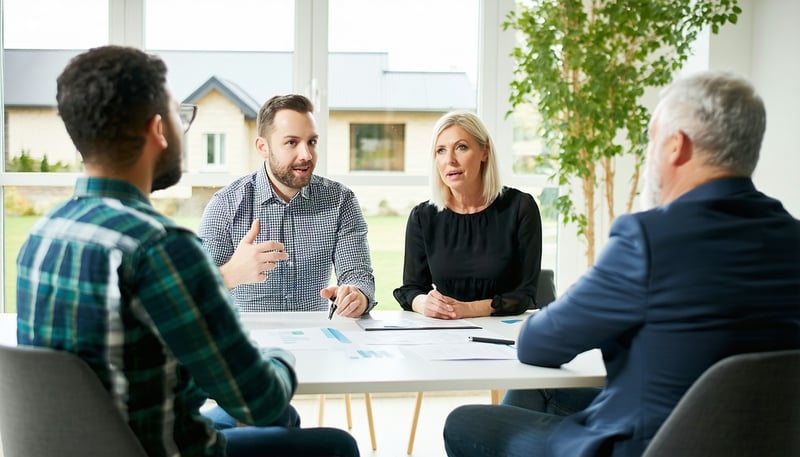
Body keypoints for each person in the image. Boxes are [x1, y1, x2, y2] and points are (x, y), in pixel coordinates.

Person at [15, 45, 359, 457]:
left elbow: (119, 364)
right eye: (183, 117)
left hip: (98, 440)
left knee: (283, 422)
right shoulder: (161, 248)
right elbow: (259, 398)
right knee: (335, 444)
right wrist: (281, 355)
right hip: (165, 448)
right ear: (159, 129)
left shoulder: (39, 238)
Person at [443, 70, 800, 457]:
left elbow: (537, 343)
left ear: (675, 147)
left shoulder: (651, 238)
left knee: (466, 422)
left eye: (652, 140)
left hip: (641, 444)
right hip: (744, 440)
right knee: (538, 391)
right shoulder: (792, 238)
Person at [198, 94, 376, 316]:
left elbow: (358, 275)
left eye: (312, 142)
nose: (306, 154)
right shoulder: (225, 204)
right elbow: (194, 291)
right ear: (263, 147)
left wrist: (357, 296)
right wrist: (231, 273)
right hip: (246, 342)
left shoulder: (341, 200)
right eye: (292, 142)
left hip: (318, 338)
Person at [393, 110, 543, 318]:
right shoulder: (423, 216)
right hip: (446, 331)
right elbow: (411, 288)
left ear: (484, 152)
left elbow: (525, 294)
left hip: (506, 331)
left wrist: (468, 309)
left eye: (461, 147)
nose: (450, 160)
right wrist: (423, 303)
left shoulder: (519, 207)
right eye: (441, 151)